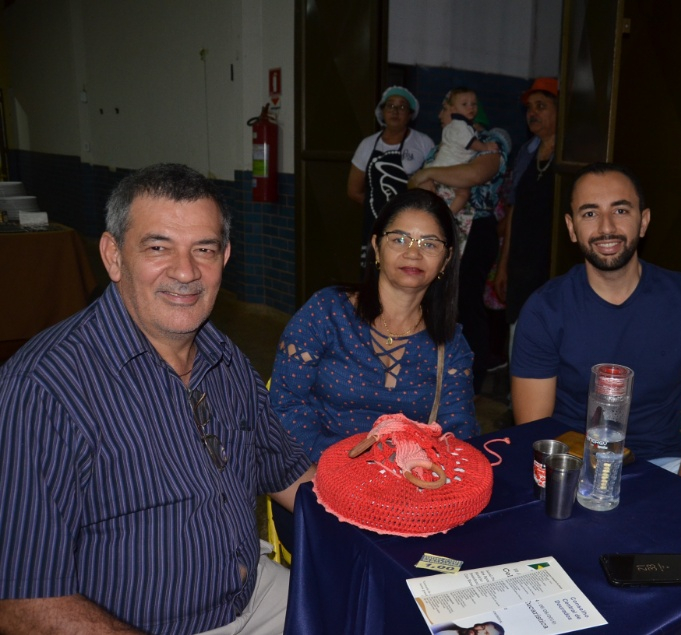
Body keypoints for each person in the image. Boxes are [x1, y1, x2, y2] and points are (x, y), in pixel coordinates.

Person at [0, 163, 315, 634]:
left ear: (224, 257)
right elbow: (23, 604)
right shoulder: (43, 390)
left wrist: (391, 521)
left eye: (203, 249)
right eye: (158, 247)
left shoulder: (222, 355)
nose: (186, 271)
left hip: (254, 594)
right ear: (113, 255)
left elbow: (289, 473)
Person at [510, 162, 681, 478]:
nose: (606, 227)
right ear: (571, 228)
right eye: (590, 213)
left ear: (644, 221)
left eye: (621, 211)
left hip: (663, 466)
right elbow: (536, 430)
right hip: (574, 465)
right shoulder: (545, 310)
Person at [270, 188, 479, 460]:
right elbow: (285, 406)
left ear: (446, 260)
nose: (413, 254)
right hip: (318, 469)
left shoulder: (449, 344)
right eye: (400, 239)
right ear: (376, 247)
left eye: (429, 244)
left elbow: (458, 432)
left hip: (405, 484)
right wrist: (349, 465)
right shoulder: (327, 312)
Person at [409, 108, 511, 393]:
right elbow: (416, 184)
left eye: (467, 105)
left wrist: (430, 173)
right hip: (439, 229)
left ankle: (472, 381)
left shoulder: (493, 139)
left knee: (466, 302)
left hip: (475, 231)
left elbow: (475, 174)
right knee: (435, 302)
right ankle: (437, 378)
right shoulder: (438, 147)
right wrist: (431, 177)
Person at [494, 77, 558, 350]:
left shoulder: (571, 155)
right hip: (522, 262)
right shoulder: (526, 153)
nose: (533, 113)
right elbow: (513, 211)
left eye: (541, 106)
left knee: (552, 331)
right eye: (530, 108)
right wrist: (503, 265)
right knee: (518, 332)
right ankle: (517, 392)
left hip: (553, 262)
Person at [347, 86, 435, 267]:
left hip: (411, 226)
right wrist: (379, 207)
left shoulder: (423, 143)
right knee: (374, 273)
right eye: (390, 106)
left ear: (410, 114)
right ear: (382, 111)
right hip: (376, 224)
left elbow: (433, 187)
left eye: (402, 107)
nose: (395, 111)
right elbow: (353, 191)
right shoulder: (368, 144)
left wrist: (404, 213)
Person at [420, 88, 498, 215]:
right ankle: (447, 216)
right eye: (465, 104)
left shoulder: (464, 129)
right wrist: (486, 147)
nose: (440, 115)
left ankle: (444, 217)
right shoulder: (460, 127)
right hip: (448, 168)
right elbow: (471, 143)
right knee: (463, 194)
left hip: (476, 224)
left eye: (473, 104)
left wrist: (427, 174)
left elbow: (476, 174)